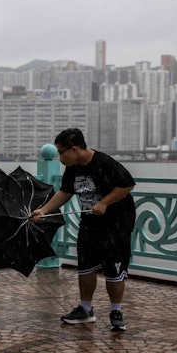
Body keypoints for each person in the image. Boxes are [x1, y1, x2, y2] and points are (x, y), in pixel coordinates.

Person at [31, 128, 136, 331]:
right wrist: (43, 210)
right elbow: (65, 192)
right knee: (85, 266)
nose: (60, 157)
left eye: (62, 152)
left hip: (116, 224)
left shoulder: (104, 163)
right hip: (90, 222)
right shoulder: (73, 167)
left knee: (113, 269)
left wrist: (105, 203)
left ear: (75, 149)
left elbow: (127, 185)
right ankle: (86, 309)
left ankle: (116, 310)